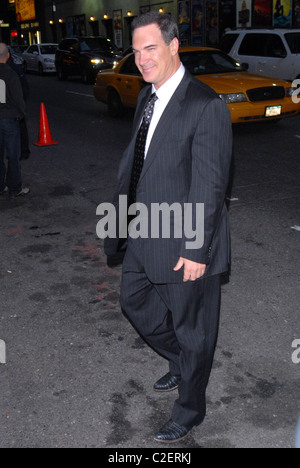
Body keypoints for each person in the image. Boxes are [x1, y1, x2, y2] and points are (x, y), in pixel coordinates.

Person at [104, 12, 233, 443]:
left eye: (150, 48)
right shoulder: (148, 97)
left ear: (174, 45)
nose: (142, 59)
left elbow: (211, 186)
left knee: (195, 330)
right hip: (145, 229)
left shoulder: (204, 104)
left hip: (185, 239)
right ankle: (179, 361)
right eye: (136, 51)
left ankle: (190, 410)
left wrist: (197, 250)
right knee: (134, 301)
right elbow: (141, 165)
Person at [0, 43, 29, 198]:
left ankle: (0, 186)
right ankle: (15, 187)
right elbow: (19, 98)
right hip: (9, 118)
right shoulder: (11, 74)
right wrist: (21, 113)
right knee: (13, 155)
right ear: (8, 55)